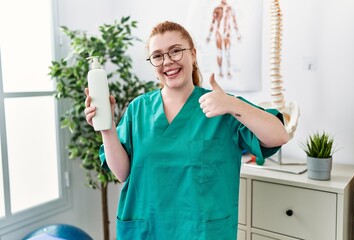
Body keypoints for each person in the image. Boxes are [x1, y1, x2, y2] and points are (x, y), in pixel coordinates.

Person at [84, 21, 288, 240]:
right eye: (158, 56)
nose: (168, 61)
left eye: (175, 51)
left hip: (201, 232)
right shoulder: (138, 109)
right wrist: (107, 128)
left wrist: (233, 105)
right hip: (147, 230)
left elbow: (279, 135)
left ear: (193, 54)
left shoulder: (221, 106)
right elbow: (122, 173)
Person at [206, 0, 241, 79]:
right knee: (219, 53)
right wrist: (209, 35)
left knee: (227, 53)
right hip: (219, 33)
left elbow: (234, 22)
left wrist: (238, 34)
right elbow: (213, 22)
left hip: (227, 33)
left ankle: (228, 71)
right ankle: (220, 71)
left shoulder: (230, 9)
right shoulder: (217, 9)